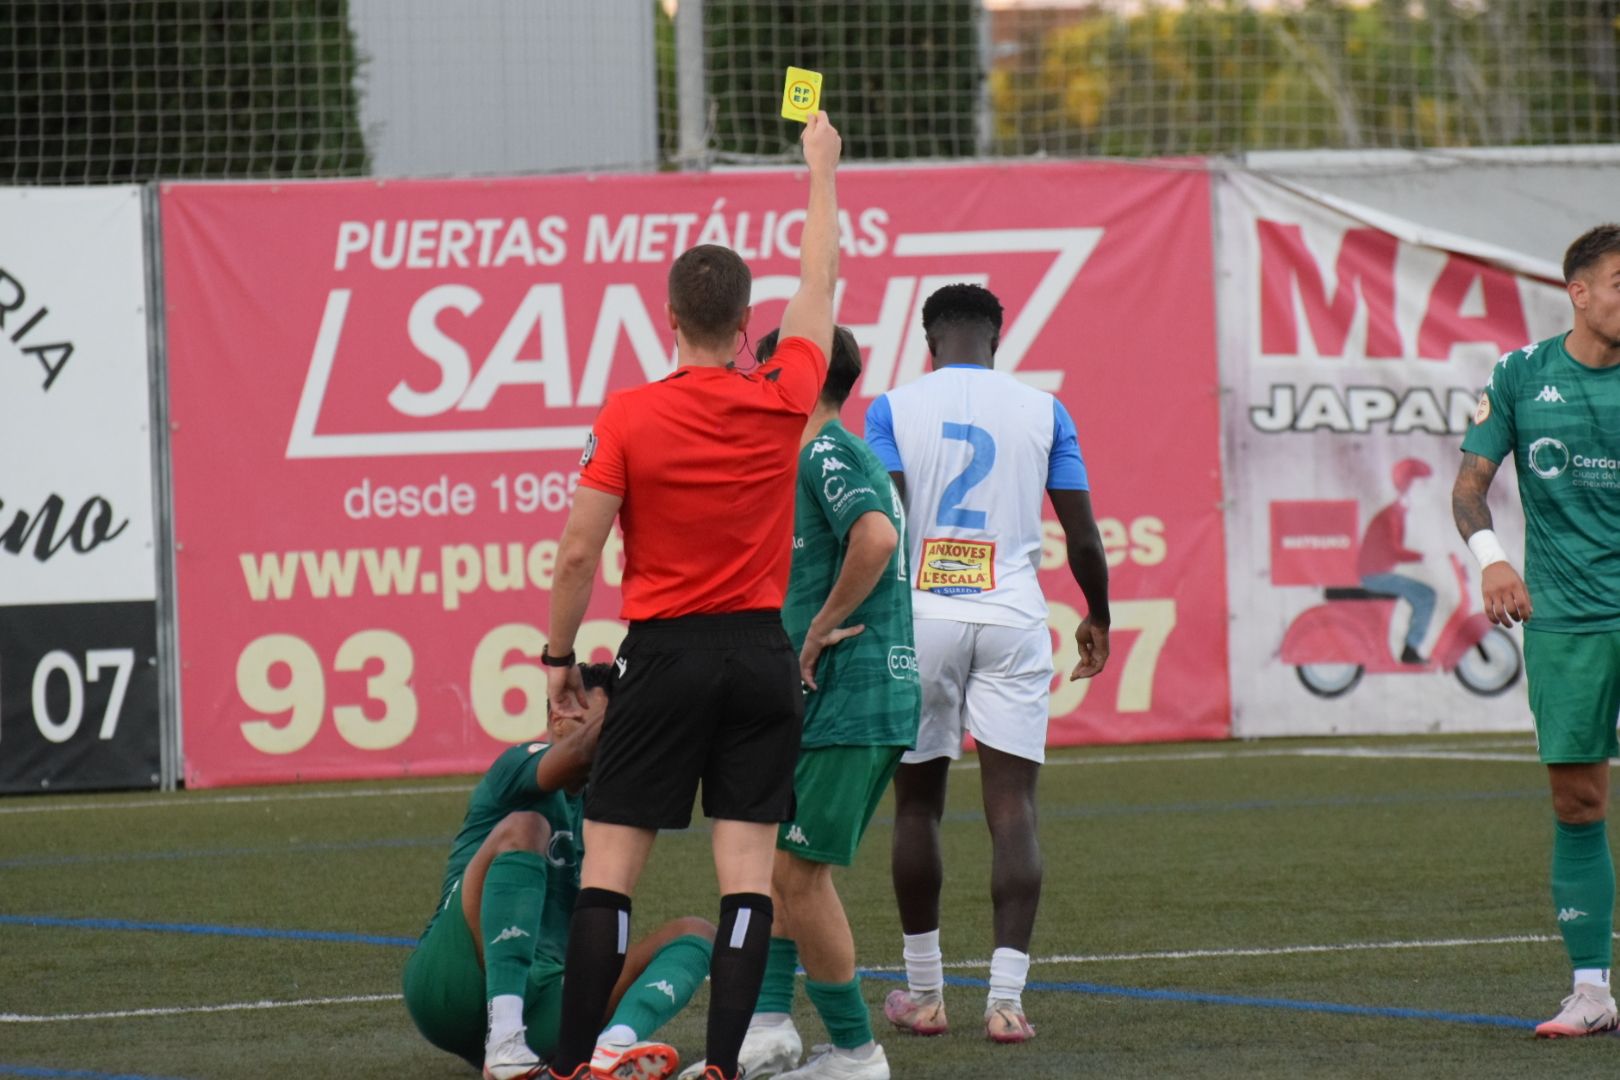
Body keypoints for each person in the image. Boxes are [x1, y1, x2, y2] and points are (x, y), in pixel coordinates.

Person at [541, 112, 843, 1080]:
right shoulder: (787, 391)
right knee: (748, 881)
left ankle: (578, 1063)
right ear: (747, 324)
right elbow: (820, 284)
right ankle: (721, 1066)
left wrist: (557, 658)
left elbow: (578, 554)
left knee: (610, 873)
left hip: (664, 654)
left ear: (666, 316)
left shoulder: (629, 413)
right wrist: (821, 171)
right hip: (760, 657)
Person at [862, 282, 1111, 1043]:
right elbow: (1084, 536)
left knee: (916, 807)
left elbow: (887, 527)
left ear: (930, 344)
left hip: (923, 616)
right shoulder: (1044, 410)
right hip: (1012, 617)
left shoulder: (891, 409)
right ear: (996, 342)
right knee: (1014, 811)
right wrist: (1098, 614)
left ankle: (926, 995)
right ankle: (1006, 1004)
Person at [680, 327, 918, 1080]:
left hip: (856, 692)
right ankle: (773, 1026)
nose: (751, 378)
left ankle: (855, 1052)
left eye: (762, 367)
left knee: (796, 874)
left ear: (797, 373)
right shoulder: (800, 456)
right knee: (780, 868)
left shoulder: (825, 448)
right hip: (825, 698)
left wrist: (817, 629)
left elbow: (874, 537)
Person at [1453, 223, 1620, 1038]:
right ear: (1578, 292)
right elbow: (1469, 489)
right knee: (1579, 800)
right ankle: (1591, 992)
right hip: (1567, 622)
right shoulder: (1522, 375)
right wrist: (1491, 560)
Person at [402, 662, 715, 1080]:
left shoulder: (610, 811)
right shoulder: (518, 764)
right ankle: (504, 1040)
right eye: (598, 722)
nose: (610, 738)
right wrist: (640, 701)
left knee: (696, 934)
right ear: (555, 717)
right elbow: (581, 753)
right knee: (526, 828)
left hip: (549, 1004)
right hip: (453, 978)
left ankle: (613, 1045)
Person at [1358, 457, 1436, 664]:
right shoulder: (1392, 515)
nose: (1427, 490)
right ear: (1410, 485)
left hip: (1380, 572)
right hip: (1375, 576)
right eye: (1422, 484)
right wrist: (1424, 556)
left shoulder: (1399, 513)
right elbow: (1392, 551)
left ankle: (1411, 646)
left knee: (1423, 591)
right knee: (1426, 595)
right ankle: (1410, 649)